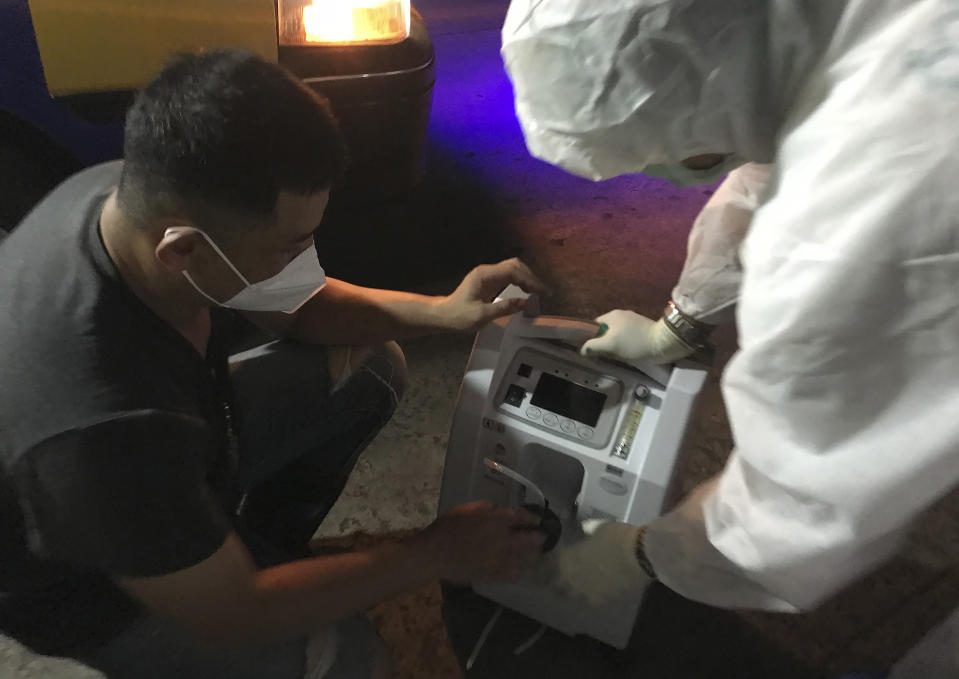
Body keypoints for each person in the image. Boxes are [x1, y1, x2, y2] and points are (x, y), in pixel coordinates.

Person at [0, 49, 547, 679]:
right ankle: (215, 572)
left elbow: (301, 303)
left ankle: (256, 545)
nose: (304, 263)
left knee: (367, 374)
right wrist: (434, 552)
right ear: (180, 251)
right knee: (345, 655)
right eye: (287, 247)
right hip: (94, 581)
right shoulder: (105, 423)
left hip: (166, 458)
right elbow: (238, 612)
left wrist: (445, 312)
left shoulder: (138, 195)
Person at [501, 0, 959, 675]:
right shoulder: (832, 35)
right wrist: (679, 323)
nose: (667, 172)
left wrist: (641, 554)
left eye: (664, 152)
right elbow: (767, 161)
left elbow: (807, 494)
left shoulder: (863, 213)